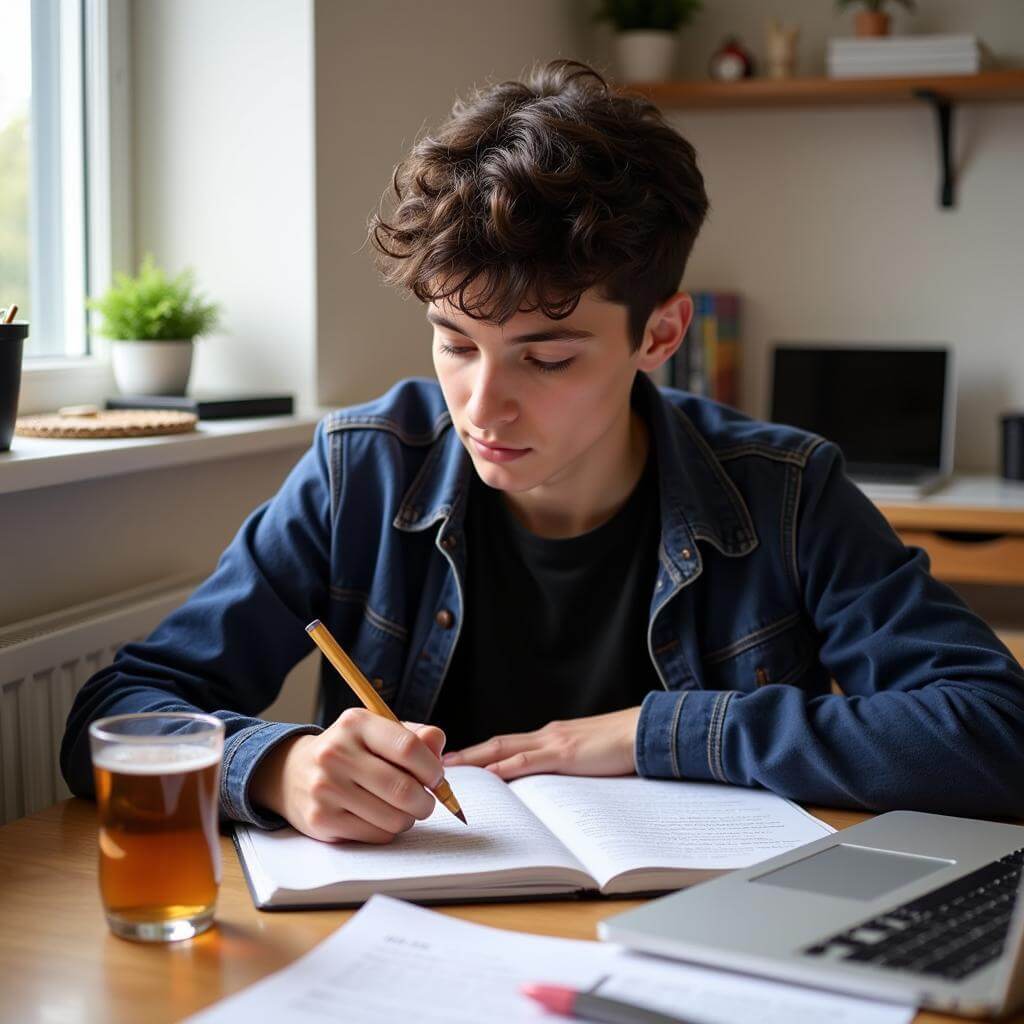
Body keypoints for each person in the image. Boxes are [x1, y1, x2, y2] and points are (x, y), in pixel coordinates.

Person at [61, 59, 1024, 845]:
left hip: (712, 936)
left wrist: (659, 734)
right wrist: (273, 766)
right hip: (414, 937)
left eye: (547, 357)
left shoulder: (783, 491)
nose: (484, 405)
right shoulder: (363, 470)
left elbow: (996, 733)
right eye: (454, 341)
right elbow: (118, 710)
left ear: (660, 335)